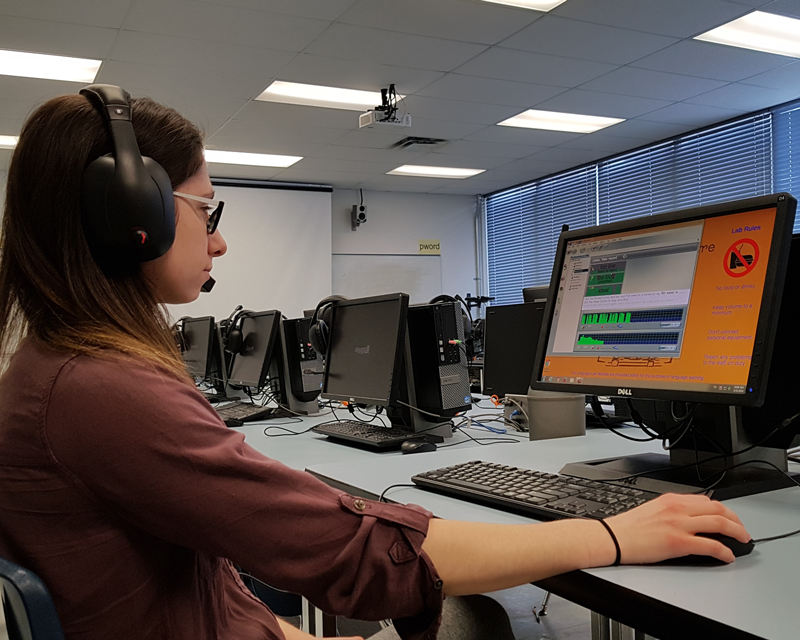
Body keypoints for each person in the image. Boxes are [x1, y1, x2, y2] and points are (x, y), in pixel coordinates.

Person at [0, 86, 751, 640]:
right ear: (132, 215)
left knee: (472, 617)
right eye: (208, 211)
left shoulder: (62, 372)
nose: (218, 241)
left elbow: (204, 580)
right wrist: (615, 534)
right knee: (477, 622)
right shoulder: (100, 390)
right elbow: (358, 554)